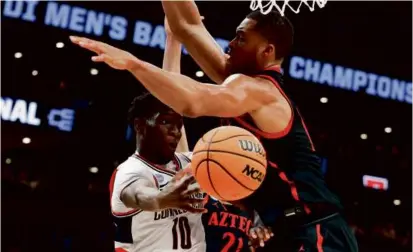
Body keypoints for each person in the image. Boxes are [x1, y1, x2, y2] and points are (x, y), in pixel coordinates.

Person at [70, 3, 358, 251]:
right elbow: (186, 24)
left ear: (267, 51)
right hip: (285, 229)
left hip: (316, 228)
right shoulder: (237, 81)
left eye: (241, 39)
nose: (230, 44)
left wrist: (133, 64)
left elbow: (192, 102)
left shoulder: (259, 90)